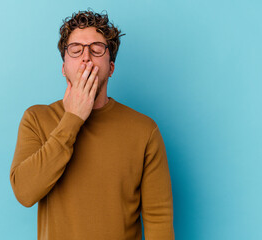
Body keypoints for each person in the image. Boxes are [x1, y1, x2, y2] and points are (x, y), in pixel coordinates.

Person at [9, 9, 175, 240]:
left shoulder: (144, 130)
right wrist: (72, 119)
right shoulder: (37, 119)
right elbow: (25, 192)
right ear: (64, 67)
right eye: (76, 50)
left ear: (111, 67)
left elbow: (159, 218)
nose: (86, 57)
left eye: (97, 49)